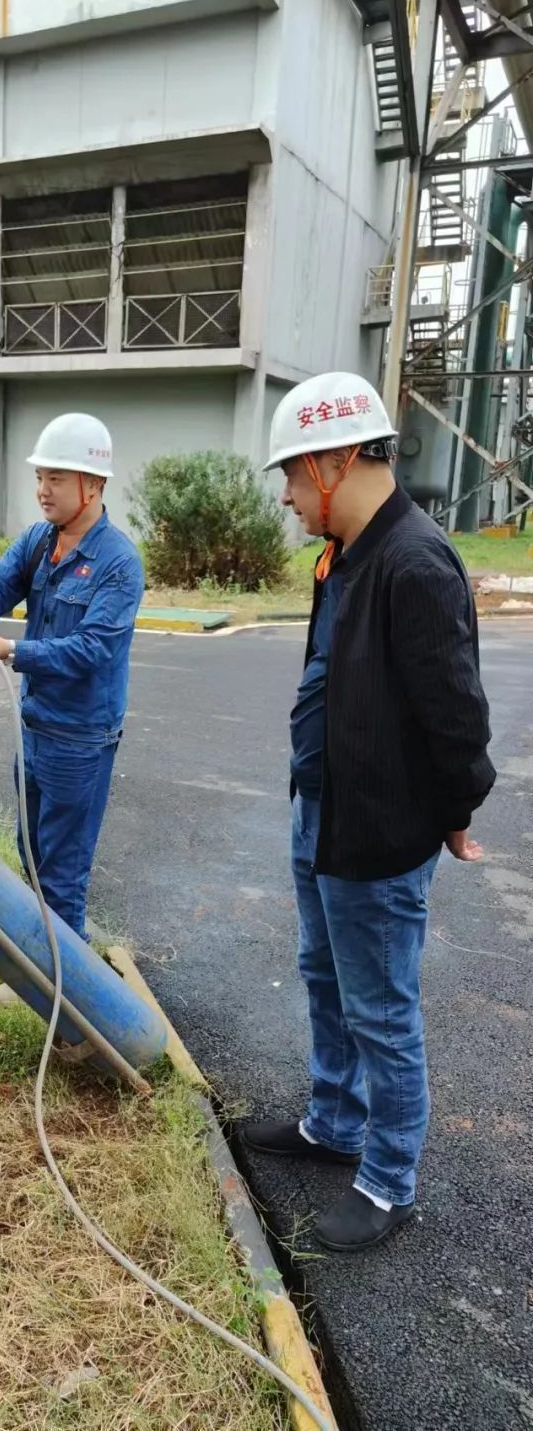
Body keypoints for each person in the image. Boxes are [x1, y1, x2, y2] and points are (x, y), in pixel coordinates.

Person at [240, 372, 496, 1252]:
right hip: (325, 813)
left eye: (290, 473)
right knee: (323, 975)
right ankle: (333, 1122)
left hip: (379, 833)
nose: (284, 495)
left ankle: (388, 1180)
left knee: (381, 1009)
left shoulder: (414, 562)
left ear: (333, 460)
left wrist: (457, 807)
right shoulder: (348, 554)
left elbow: (456, 711)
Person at [0, 412, 144, 938]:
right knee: (30, 853)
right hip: (35, 730)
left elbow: (93, 649)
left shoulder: (119, 563)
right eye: (40, 477)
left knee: (62, 872)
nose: (42, 491)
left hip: (79, 740)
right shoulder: (39, 540)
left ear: (93, 485)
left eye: (56, 478)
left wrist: (11, 652)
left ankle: (67, 994)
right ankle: (39, 967)